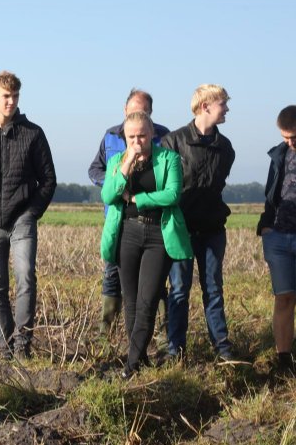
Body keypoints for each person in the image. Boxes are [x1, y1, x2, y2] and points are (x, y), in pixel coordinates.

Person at [0, 71, 57, 359]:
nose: (11, 101)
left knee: (26, 277)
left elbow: (49, 180)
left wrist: (32, 213)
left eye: (15, 96)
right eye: (6, 96)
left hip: (21, 220)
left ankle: (22, 345)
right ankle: (4, 348)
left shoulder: (33, 134)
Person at [100, 111, 192, 377]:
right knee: (130, 302)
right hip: (127, 233)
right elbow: (108, 194)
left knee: (148, 300)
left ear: (152, 134)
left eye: (142, 135)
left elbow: (172, 194)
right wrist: (127, 162)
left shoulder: (169, 159)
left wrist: (136, 199)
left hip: (157, 235)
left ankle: (130, 366)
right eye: (131, 137)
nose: (137, 141)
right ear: (125, 138)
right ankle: (138, 359)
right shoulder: (117, 160)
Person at [161, 84, 235, 360]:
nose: (227, 109)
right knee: (179, 289)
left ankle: (223, 349)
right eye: (222, 104)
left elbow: (218, 183)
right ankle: (175, 350)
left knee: (213, 289)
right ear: (206, 107)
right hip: (181, 230)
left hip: (213, 230)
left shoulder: (225, 148)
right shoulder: (173, 142)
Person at [88, 89, 170, 333]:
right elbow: (95, 170)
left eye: (142, 111)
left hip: (154, 222)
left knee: (154, 280)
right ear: (124, 111)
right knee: (112, 272)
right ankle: (105, 331)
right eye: (132, 110)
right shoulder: (110, 136)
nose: (136, 114)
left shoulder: (164, 137)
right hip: (118, 217)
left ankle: (161, 335)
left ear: (151, 115)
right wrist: (115, 185)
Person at [257, 105, 296, 371]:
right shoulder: (278, 155)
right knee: (284, 299)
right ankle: (284, 363)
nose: (290, 142)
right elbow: (271, 195)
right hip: (279, 238)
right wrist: (266, 226)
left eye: (295, 137)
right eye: (285, 137)